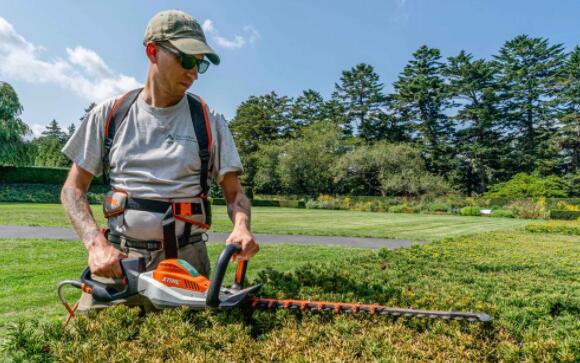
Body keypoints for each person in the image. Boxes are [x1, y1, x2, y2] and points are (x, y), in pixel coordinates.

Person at [60, 10, 259, 311]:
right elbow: (72, 190)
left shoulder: (209, 121)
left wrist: (241, 226)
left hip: (186, 264)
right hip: (120, 263)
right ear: (153, 51)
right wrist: (95, 244)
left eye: (200, 64)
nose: (193, 72)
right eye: (187, 59)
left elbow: (235, 195)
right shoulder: (111, 114)